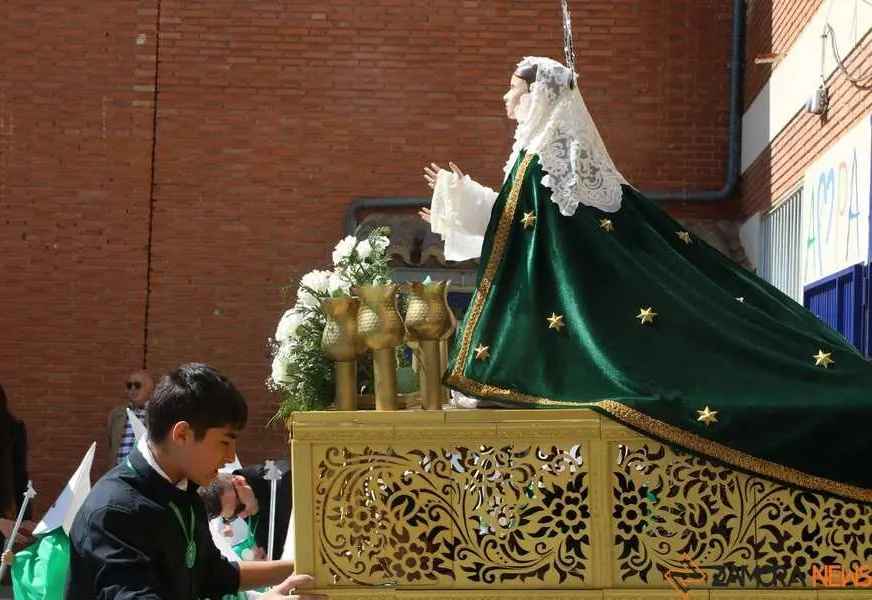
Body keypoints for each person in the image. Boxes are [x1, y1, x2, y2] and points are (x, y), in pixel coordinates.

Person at [422, 56, 872, 503]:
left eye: (513, 88)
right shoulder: (545, 164)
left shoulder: (547, 166)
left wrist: (460, 201)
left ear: (539, 95)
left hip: (595, 327)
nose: (506, 96)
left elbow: (532, 229)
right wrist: (461, 202)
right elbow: (530, 229)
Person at [65, 363, 321, 600]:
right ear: (183, 434)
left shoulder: (184, 488)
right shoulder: (114, 512)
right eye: (224, 442)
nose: (230, 457)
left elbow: (213, 574)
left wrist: (308, 568)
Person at [108, 369, 155, 466]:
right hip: (119, 472)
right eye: (129, 386)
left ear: (149, 388)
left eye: (137, 385)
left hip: (145, 472)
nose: (133, 389)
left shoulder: (157, 413)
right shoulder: (117, 414)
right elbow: (111, 444)